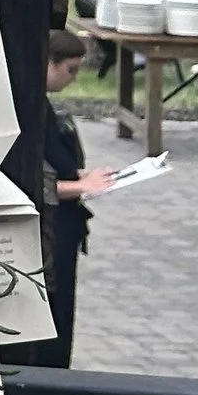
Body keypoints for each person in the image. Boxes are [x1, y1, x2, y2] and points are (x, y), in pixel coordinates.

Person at [42, 28, 116, 361]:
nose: (73, 78)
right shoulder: (30, 112)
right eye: (69, 69)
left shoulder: (43, 109)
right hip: (50, 229)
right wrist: (81, 187)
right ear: (49, 63)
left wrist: (80, 176)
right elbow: (31, 182)